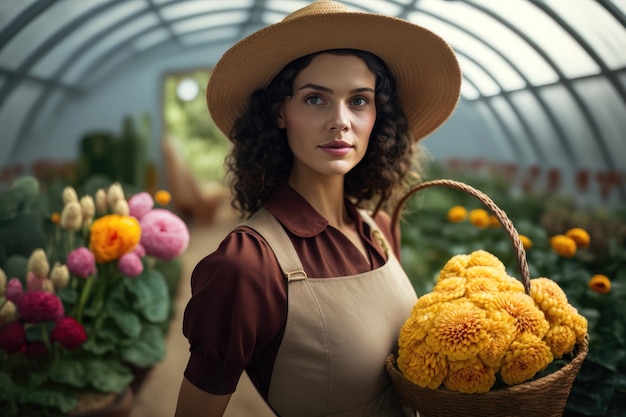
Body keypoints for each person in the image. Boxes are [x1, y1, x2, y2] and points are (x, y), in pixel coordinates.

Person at [174, 1, 461, 416]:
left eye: (359, 101)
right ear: (279, 113)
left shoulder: (378, 227)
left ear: (377, 114)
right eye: (314, 99)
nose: (340, 121)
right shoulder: (248, 265)